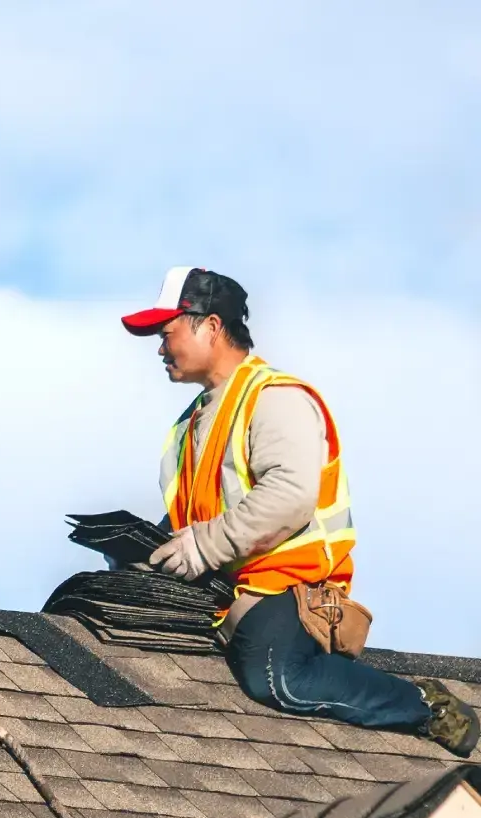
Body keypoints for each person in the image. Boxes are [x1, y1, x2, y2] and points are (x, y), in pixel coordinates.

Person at [127, 266, 475, 757]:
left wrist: (201, 547)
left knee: (277, 678)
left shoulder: (275, 399)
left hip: (288, 586)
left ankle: (426, 706)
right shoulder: (191, 425)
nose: (160, 349)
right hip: (224, 587)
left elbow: (289, 496)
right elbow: (194, 519)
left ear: (210, 326)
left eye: (167, 334)